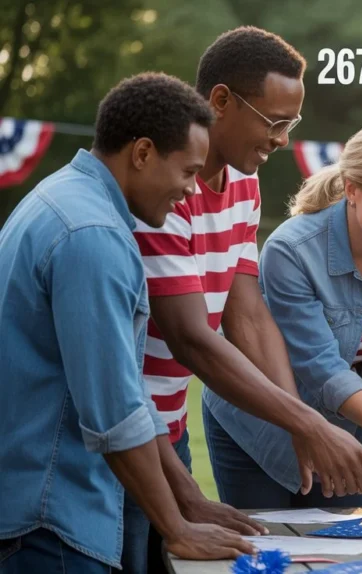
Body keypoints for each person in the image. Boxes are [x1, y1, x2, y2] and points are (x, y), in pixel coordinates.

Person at [130, 27, 362, 572]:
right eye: (273, 122)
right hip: (125, 431)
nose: (281, 140)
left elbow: (246, 312)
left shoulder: (244, 186)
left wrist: (294, 421)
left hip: (168, 428)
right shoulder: (162, 189)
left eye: (291, 124)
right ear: (220, 101)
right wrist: (309, 424)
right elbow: (192, 341)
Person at [0, 73, 255, 573]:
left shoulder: (65, 198)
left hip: (42, 506)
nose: (188, 193)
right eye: (186, 172)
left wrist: (190, 499)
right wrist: (178, 529)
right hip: (51, 518)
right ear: (141, 153)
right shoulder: (91, 235)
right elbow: (115, 411)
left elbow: (127, 387)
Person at [203, 120, 362, 515]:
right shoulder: (291, 250)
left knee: (343, 553)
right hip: (259, 428)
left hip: (349, 434)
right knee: (270, 552)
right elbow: (319, 365)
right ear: (353, 189)